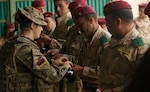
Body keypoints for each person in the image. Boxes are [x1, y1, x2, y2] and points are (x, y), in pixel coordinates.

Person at [0, 6, 73, 92]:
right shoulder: (26, 48)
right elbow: (53, 76)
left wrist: (52, 63)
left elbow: (30, 66)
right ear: (33, 25)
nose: (42, 29)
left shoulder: (11, 43)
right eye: (41, 25)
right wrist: (65, 66)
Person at [99, 1, 150, 92]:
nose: (107, 27)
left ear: (118, 22)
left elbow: (141, 83)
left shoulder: (141, 48)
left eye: (108, 23)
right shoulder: (111, 42)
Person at [71, 5, 111, 92]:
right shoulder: (85, 38)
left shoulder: (105, 40)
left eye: (81, 25)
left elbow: (107, 71)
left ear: (91, 20)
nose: (79, 29)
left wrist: (82, 70)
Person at [123, 2, 150, 92]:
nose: (140, 13)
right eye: (139, 11)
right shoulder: (136, 21)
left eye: (141, 11)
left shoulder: (147, 21)